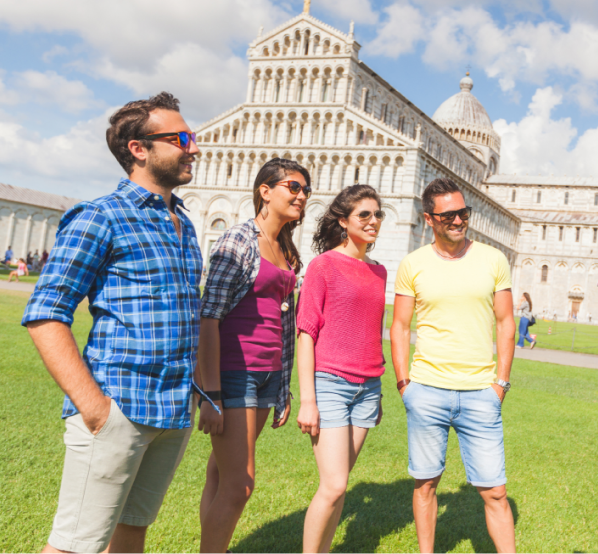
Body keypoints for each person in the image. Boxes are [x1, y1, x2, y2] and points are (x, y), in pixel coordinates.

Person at [22, 92, 202, 554]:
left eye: (193, 136)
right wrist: (96, 408)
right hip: (117, 408)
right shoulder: (100, 217)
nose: (194, 148)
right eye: (181, 138)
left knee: (131, 532)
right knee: (73, 546)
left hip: (172, 411)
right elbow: (46, 312)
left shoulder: (183, 221)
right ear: (139, 149)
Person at [391, 178, 517, 554]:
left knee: (495, 491)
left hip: (481, 392)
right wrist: (404, 384)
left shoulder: (493, 259)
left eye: (463, 212)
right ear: (429, 218)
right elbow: (399, 326)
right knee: (426, 484)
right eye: (449, 215)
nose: (459, 220)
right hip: (426, 390)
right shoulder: (413, 263)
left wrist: (501, 384)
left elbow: (506, 323)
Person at [196, 158, 311, 554]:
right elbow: (208, 317)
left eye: (305, 190)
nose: (301, 195)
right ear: (265, 190)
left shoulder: (285, 248)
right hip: (234, 372)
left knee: (220, 473)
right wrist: (209, 394)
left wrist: (283, 386)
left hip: (267, 374)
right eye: (293, 187)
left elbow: (283, 323)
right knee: (240, 484)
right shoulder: (237, 240)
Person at [296, 184, 388, 553]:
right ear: (343, 220)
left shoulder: (379, 271)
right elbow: (307, 333)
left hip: (368, 388)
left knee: (340, 485)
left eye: (377, 214)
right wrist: (308, 400)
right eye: (364, 214)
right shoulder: (323, 266)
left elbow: (370, 330)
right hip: (330, 383)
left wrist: (377, 385)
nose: (373, 221)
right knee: (332, 485)